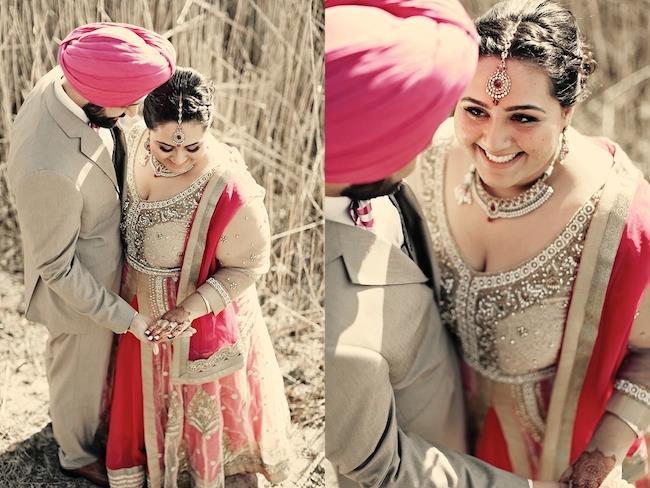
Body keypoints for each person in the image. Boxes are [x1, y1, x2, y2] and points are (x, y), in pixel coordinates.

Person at [409, 0, 650, 486]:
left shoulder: (618, 218)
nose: (494, 141)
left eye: (523, 118)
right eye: (475, 110)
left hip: (555, 455)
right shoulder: (424, 162)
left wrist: (599, 459)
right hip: (432, 438)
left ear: (568, 110)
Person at [325, 1, 562, 487]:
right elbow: (386, 471)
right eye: (470, 110)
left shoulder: (378, 169)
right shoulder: (339, 337)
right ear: (370, 140)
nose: (488, 143)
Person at [104, 67, 292, 488]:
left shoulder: (226, 186)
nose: (179, 158)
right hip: (133, 309)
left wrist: (185, 310)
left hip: (191, 321)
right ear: (147, 125)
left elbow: (248, 266)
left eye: (192, 145)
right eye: (166, 145)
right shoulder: (131, 140)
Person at [6, 23, 175, 487]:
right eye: (130, 103)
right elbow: (57, 266)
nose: (135, 111)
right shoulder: (48, 168)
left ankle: (77, 424)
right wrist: (124, 317)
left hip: (101, 256)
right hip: (81, 293)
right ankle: (75, 452)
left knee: (88, 378)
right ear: (97, 96)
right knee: (78, 375)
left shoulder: (70, 79)